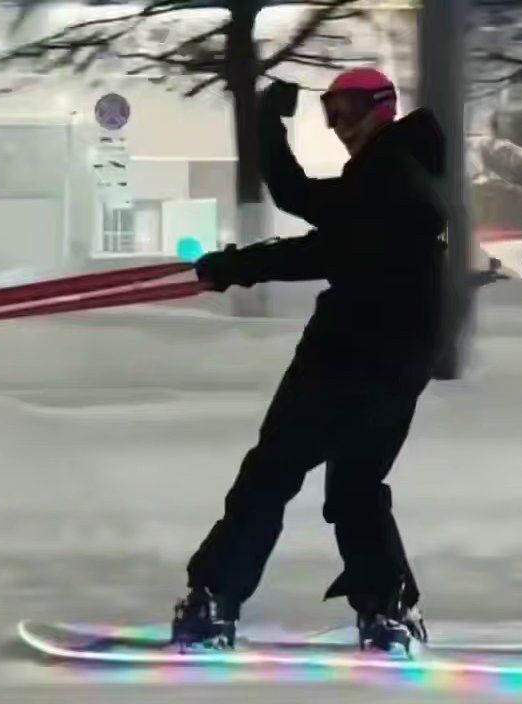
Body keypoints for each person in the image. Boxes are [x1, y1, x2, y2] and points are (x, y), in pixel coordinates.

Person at [171, 67, 447, 653]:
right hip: (398, 358)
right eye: (329, 113)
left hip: (348, 351)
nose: (338, 126)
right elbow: (307, 203)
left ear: (382, 108)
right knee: (354, 487)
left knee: (271, 473)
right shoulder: (396, 170)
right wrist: (270, 129)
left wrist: (238, 266)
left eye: (346, 111)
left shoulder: (393, 172)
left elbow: (334, 245)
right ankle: (388, 611)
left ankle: (213, 603)